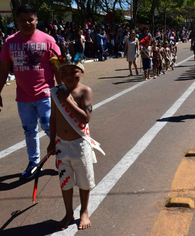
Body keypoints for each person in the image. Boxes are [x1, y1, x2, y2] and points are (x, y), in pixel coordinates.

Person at [0, 4, 61, 178]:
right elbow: (4, 70)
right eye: (22, 20)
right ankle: (34, 163)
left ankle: (61, 156)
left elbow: (57, 66)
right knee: (29, 130)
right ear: (16, 22)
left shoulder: (47, 40)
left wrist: (63, 90)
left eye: (30, 19)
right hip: (23, 97)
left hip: (45, 93)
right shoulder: (9, 42)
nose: (27, 23)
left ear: (36, 20)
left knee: (50, 127)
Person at [47, 52, 104, 230]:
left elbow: (85, 118)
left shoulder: (85, 91)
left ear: (82, 72)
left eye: (74, 72)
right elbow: (54, 118)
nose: (70, 76)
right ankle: (68, 212)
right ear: (60, 75)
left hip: (80, 144)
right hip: (62, 145)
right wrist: (52, 141)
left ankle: (84, 211)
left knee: (84, 180)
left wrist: (69, 102)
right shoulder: (56, 93)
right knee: (65, 181)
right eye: (65, 73)